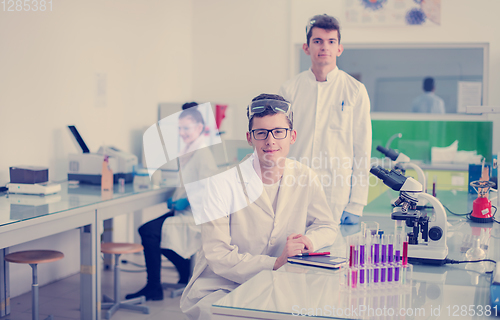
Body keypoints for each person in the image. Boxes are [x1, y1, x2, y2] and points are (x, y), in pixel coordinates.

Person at [180, 94, 337, 320]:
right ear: (249, 138)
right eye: (261, 133)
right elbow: (218, 255)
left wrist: (308, 241)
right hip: (222, 287)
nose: (270, 140)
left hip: (280, 283)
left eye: (278, 132)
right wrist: (275, 263)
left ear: (292, 136)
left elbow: (326, 225)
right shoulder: (220, 185)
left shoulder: (306, 177)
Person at [279, 14, 372, 225]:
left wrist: (357, 203)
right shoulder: (290, 90)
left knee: (332, 254)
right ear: (306, 47)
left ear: (339, 48)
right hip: (294, 190)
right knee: (291, 252)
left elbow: (362, 151)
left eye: (331, 42)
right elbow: (280, 144)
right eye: (318, 41)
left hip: (335, 194)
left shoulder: (355, 91)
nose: (325, 47)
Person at [125, 102, 218, 301]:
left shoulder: (203, 154)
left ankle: (154, 288)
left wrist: (185, 201)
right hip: (185, 211)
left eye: (187, 128)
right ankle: (185, 272)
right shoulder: (190, 151)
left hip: (196, 218)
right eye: (180, 128)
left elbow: (210, 190)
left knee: (148, 232)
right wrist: (178, 199)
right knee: (155, 232)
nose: (182, 132)